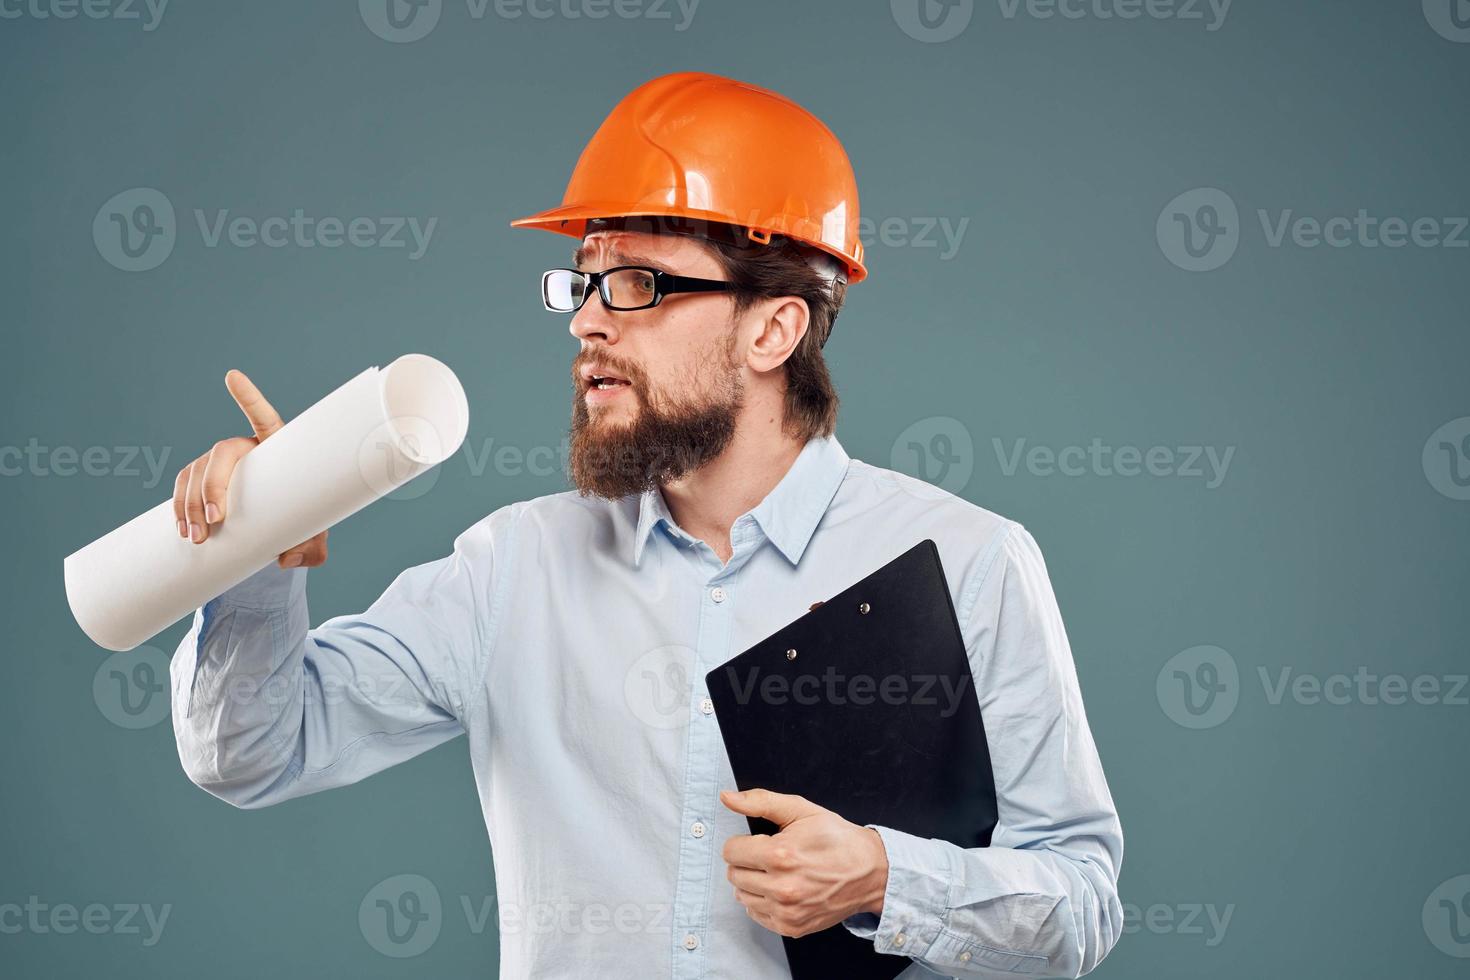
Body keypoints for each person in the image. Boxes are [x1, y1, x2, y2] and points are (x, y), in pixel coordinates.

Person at [168, 71, 1123, 979]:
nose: (588, 322)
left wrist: (885, 877)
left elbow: (1080, 906)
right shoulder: (515, 566)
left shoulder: (967, 564)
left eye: (637, 285)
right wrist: (255, 545)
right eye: (583, 281)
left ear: (772, 330)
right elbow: (250, 752)